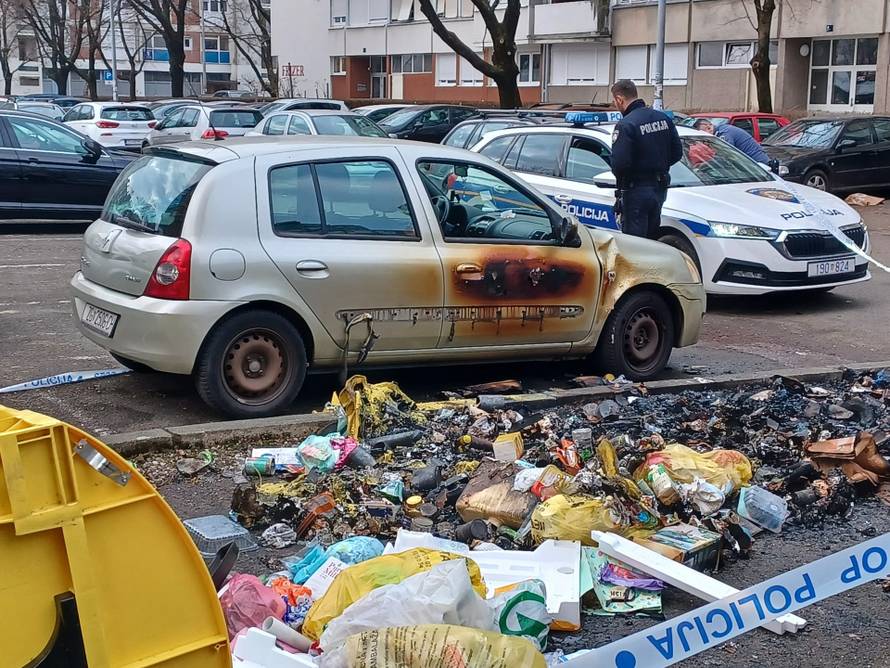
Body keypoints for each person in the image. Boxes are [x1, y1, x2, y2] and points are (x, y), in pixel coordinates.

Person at [609, 80, 683, 240]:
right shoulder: (663, 119)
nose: (615, 105)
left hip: (635, 192)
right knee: (651, 242)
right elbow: (677, 153)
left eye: (614, 101)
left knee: (635, 245)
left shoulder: (626, 125)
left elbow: (620, 164)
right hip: (659, 188)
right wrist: (657, 165)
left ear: (620, 99)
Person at [693, 118, 770, 164]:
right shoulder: (721, 131)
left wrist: (707, 164)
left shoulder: (724, 133)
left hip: (758, 164)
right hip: (751, 164)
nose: (703, 139)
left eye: (703, 133)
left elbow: (726, 154)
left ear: (709, 127)